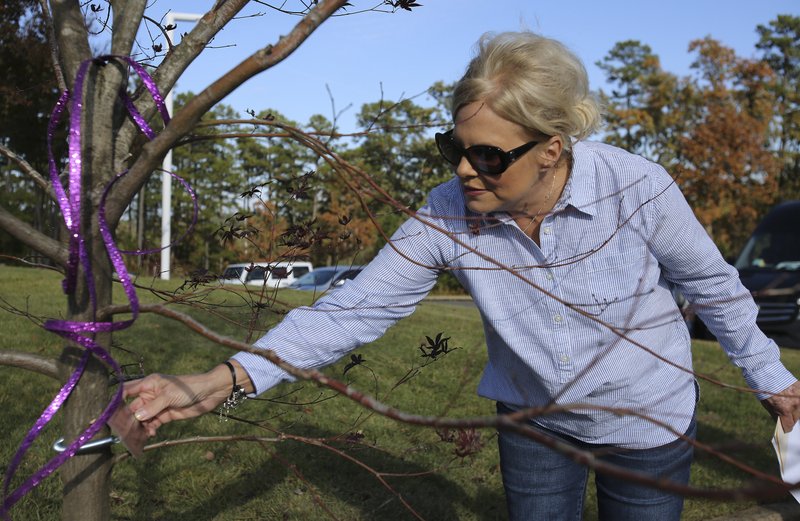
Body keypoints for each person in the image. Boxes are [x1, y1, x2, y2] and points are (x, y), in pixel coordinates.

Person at [124, 31, 800, 520]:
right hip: (535, 420)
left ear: (553, 148)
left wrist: (770, 378)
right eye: (455, 147)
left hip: (650, 418)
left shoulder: (639, 188)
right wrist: (222, 380)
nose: (463, 170)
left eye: (487, 155)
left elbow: (714, 286)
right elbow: (352, 310)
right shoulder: (447, 215)